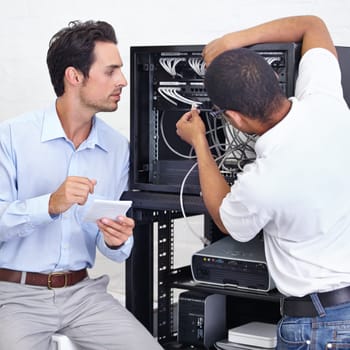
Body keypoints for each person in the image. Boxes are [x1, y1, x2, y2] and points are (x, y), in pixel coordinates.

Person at [176, 15, 350, 349]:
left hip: (318, 328)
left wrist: (200, 141)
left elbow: (226, 220)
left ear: (235, 118)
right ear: (274, 79)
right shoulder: (326, 100)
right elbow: (313, 24)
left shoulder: (263, 182)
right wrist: (232, 41)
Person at [0, 20, 163, 350]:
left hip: (84, 295)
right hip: (15, 296)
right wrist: (50, 204)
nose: (123, 80)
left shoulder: (117, 148)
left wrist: (116, 240)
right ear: (74, 77)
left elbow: (114, 250)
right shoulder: (12, 138)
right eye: (110, 71)